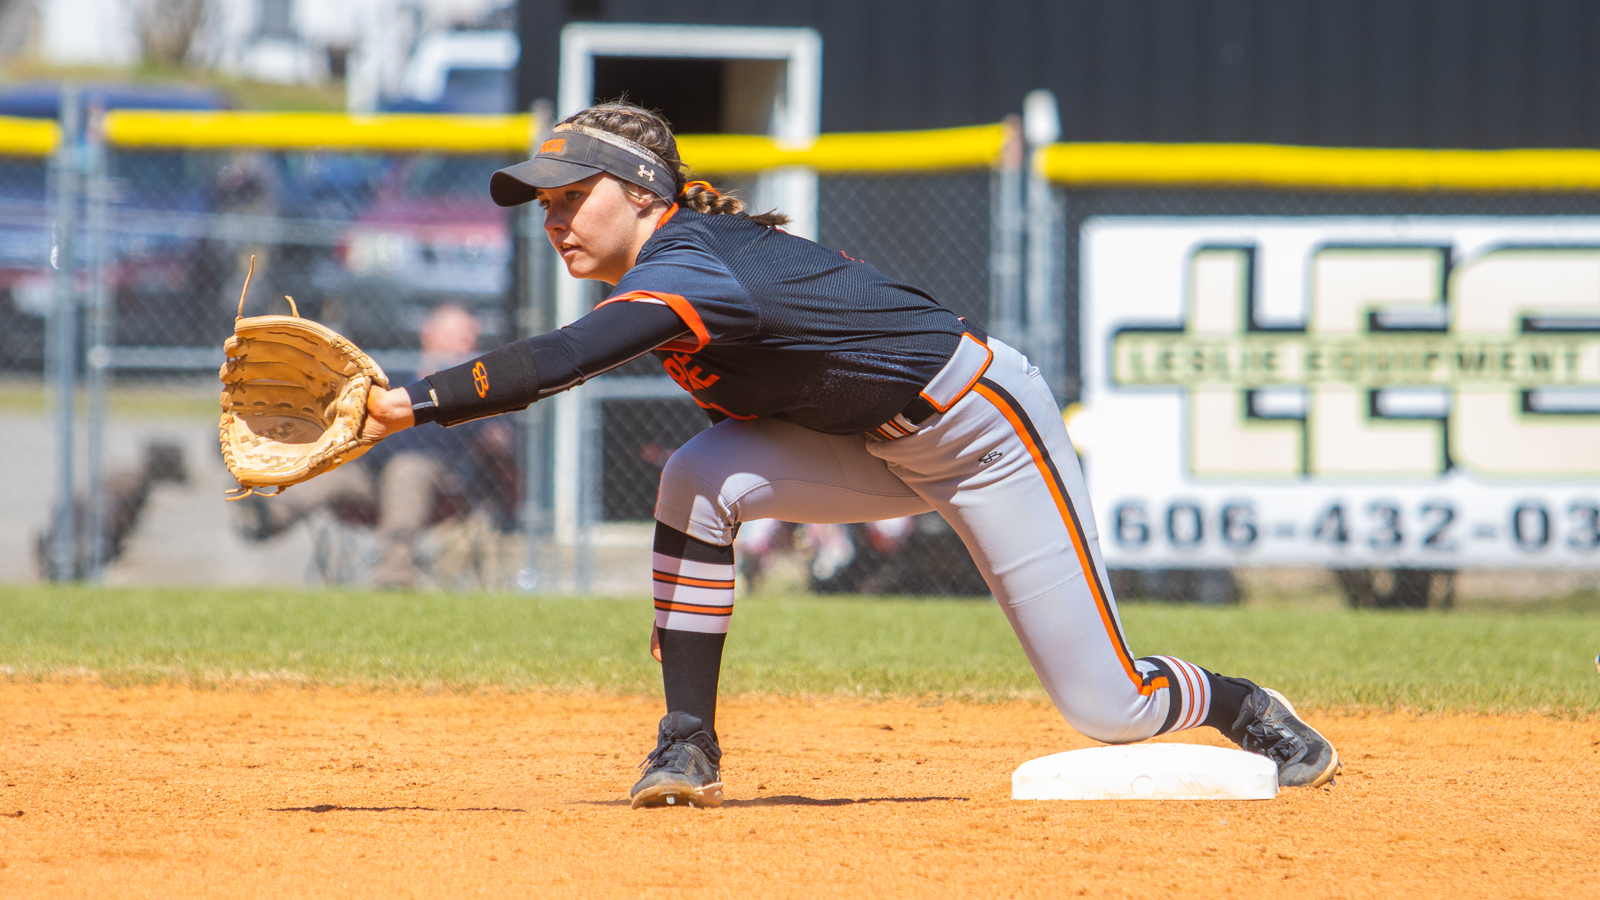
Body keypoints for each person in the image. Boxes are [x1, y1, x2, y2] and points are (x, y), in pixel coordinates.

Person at [359, 103, 1341, 808]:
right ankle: (686, 741)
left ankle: (1242, 702)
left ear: (645, 193)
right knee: (697, 477)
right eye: (543, 202)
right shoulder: (668, 269)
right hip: (868, 447)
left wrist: (411, 403)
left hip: (983, 432)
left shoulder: (693, 263)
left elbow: (566, 357)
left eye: (575, 193)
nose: (554, 216)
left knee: (1111, 709)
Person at [238, 303, 511, 588]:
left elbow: (499, 436)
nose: (467, 344)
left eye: (470, 337)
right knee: (333, 471)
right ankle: (269, 516)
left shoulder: (475, 388)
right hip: (372, 472)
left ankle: (394, 574)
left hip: (440, 478)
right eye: (457, 335)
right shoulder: (392, 380)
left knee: (406, 470)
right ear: (427, 335)